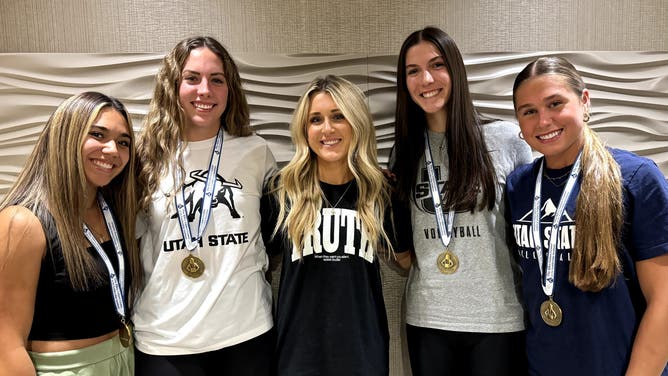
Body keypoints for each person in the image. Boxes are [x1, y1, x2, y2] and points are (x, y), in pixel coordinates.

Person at [508, 56, 668, 376]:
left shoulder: (637, 178)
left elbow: (664, 299)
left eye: (555, 104)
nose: (543, 121)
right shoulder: (519, 185)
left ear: (584, 101)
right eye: (529, 112)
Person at [389, 26, 532, 375]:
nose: (426, 79)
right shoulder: (404, 153)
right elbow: (404, 252)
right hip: (428, 318)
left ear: (455, 70)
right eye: (413, 71)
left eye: (437, 65)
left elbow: (529, 233)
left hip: (498, 318)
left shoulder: (506, 139)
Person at [132, 36, 277, 375]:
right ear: (173, 85)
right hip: (166, 339)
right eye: (192, 78)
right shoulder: (144, 158)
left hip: (247, 333)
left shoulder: (255, 152)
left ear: (231, 88)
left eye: (217, 79)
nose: (205, 90)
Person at [0, 91, 142, 375]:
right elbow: (6, 345)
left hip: (124, 360)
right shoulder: (23, 222)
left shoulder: (114, 211)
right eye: (98, 135)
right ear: (66, 136)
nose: (113, 150)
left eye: (123, 142)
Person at [261, 75, 395, 376]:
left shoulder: (381, 192)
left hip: (363, 355)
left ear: (356, 122)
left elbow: (407, 258)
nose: (327, 129)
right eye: (316, 119)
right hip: (297, 357)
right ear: (304, 129)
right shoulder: (281, 192)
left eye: (338, 117)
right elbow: (262, 263)